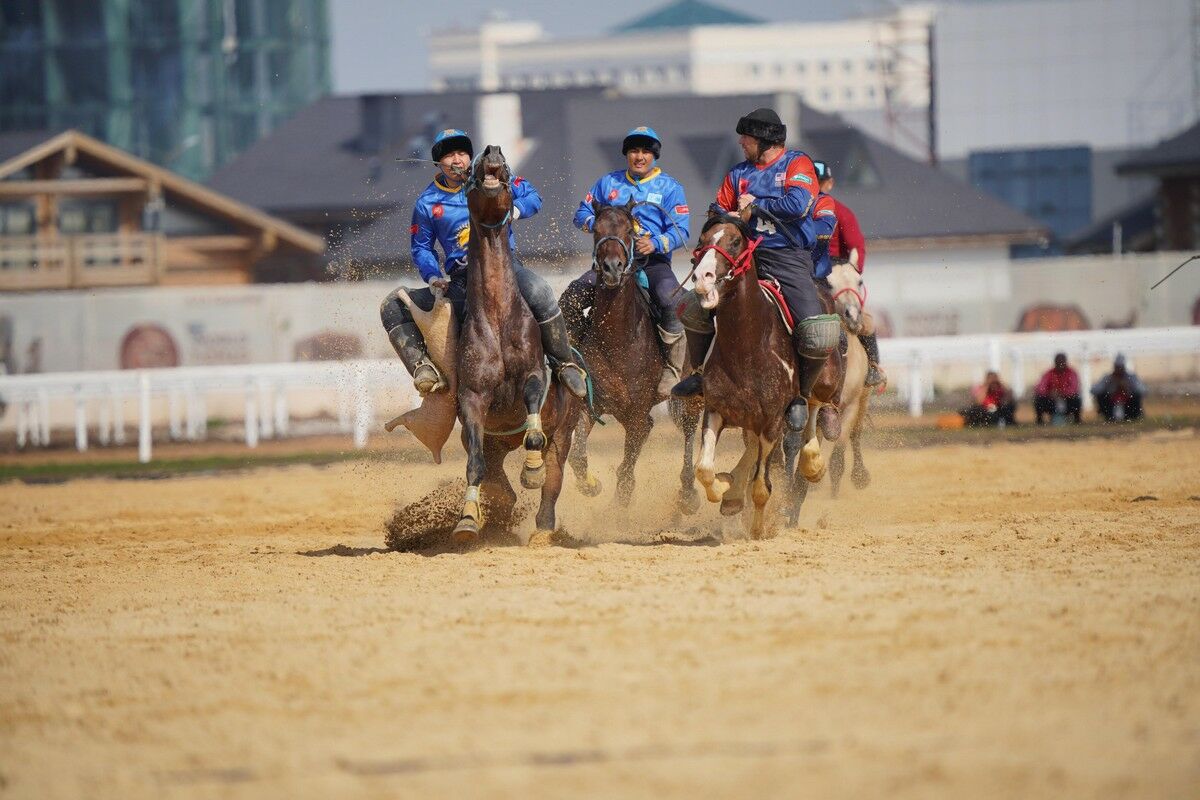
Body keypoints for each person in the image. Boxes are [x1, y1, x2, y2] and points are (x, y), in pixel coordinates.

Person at [378, 128, 587, 399]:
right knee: (392, 305)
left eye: (462, 153)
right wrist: (432, 276)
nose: (457, 160)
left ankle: (563, 363)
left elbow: (534, 197)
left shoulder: (492, 180)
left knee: (540, 291)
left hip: (507, 270)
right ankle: (424, 369)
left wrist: (513, 210)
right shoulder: (427, 203)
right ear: (438, 163)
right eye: (449, 155)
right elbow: (421, 248)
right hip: (462, 280)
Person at [673, 107, 841, 435]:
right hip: (741, 258)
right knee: (693, 309)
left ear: (764, 140)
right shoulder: (737, 173)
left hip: (788, 257)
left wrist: (756, 205)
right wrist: (723, 221)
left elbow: (798, 205)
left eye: (745, 137)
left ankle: (802, 396)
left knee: (815, 331)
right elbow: (718, 209)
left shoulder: (797, 164)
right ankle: (698, 374)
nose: (740, 142)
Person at [562, 126, 691, 396]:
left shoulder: (670, 188)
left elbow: (683, 230)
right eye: (634, 151)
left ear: (654, 156)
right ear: (627, 155)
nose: (639, 156)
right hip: (607, 264)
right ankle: (569, 358)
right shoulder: (607, 183)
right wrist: (596, 225)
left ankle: (673, 367)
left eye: (645, 151)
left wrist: (655, 243)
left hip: (652, 264)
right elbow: (581, 213)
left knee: (671, 298)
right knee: (574, 293)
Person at [817, 160, 884, 388]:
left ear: (830, 184)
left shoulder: (842, 213)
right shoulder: (800, 212)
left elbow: (857, 247)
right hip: (809, 269)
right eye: (812, 183)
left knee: (863, 320)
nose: (817, 188)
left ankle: (873, 366)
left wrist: (851, 273)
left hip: (838, 270)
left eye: (821, 183)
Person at [1091, 354, 1145, 422]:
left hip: (1128, 405)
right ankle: (1109, 416)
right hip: (1111, 404)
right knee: (1101, 396)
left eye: (1120, 367)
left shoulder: (1131, 377)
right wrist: (1107, 384)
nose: (1119, 370)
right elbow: (1093, 390)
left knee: (1136, 396)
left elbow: (1142, 390)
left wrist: (1129, 386)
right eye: (1117, 367)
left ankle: (1133, 416)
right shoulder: (1108, 378)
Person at [1033, 352, 1082, 424]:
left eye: (1062, 361)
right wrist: (1049, 393)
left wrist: (1062, 393)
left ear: (1065, 362)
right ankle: (1039, 420)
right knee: (1039, 399)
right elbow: (1040, 388)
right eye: (1058, 361)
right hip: (1051, 399)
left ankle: (1077, 420)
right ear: (1055, 362)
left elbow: (1074, 388)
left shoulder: (1071, 372)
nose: (1060, 364)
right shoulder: (1049, 373)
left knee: (1076, 399)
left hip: (1067, 400)